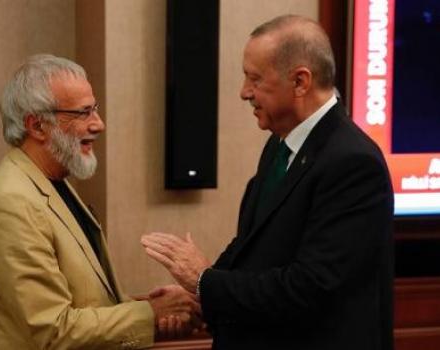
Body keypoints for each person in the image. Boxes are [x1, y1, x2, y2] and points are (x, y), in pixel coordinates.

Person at [141, 15, 394, 350]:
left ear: (301, 82)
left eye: (255, 79)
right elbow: (253, 247)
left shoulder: (353, 163)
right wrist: (198, 296)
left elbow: (309, 288)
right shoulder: (279, 143)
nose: (244, 92)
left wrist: (206, 282)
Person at [0, 54, 200, 350]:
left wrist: (151, 309)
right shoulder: (12, 204)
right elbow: (52, 331)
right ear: (38, 126)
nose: (99, 124)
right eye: (83, 113)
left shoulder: (53, 183)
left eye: (95, 109)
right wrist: (150, 314)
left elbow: (87, 301)